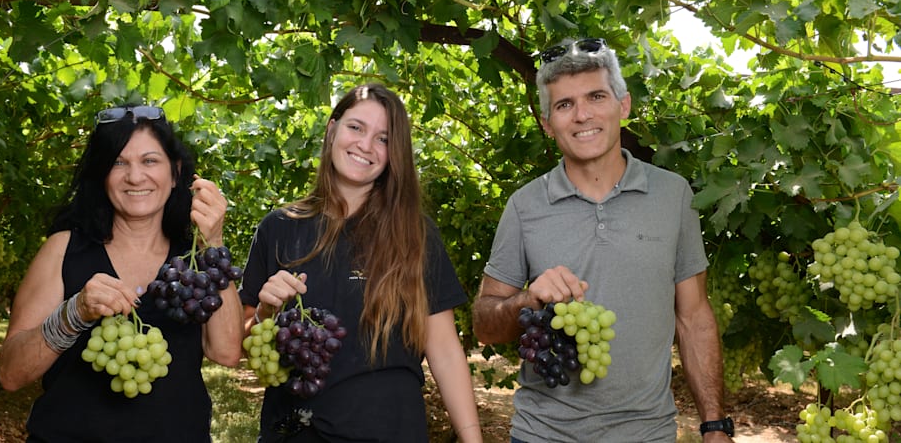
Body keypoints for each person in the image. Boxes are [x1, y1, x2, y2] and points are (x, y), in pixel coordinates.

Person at [471, 38, 734, 442]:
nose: (582, 115)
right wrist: (529, 300)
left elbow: (694, 316)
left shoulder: (674, 196)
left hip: (648, 434)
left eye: (596, 96)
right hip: (541, 435)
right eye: (564, 105)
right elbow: (484, 327)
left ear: (623, 106)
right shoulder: (524, 206)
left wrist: (715, 424)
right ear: (546, 123)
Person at [239, 83, 482, 443]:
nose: (366, 145)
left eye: (383, 138)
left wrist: (472, 438)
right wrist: (265, 311)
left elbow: (444, 349)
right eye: (356, 127)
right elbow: (246, 339)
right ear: (331, 129)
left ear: (393, 154)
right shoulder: (278, 227)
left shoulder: (415, 233)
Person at [0, 105, 244, 442]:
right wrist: (74, 313)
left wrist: (212, 243)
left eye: (149, 161)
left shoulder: (196, 261)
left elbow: (226, 352)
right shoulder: (63, 249)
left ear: (175, 173)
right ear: (102, 175)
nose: (135, 176)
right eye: (118, 162)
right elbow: (10, 374)